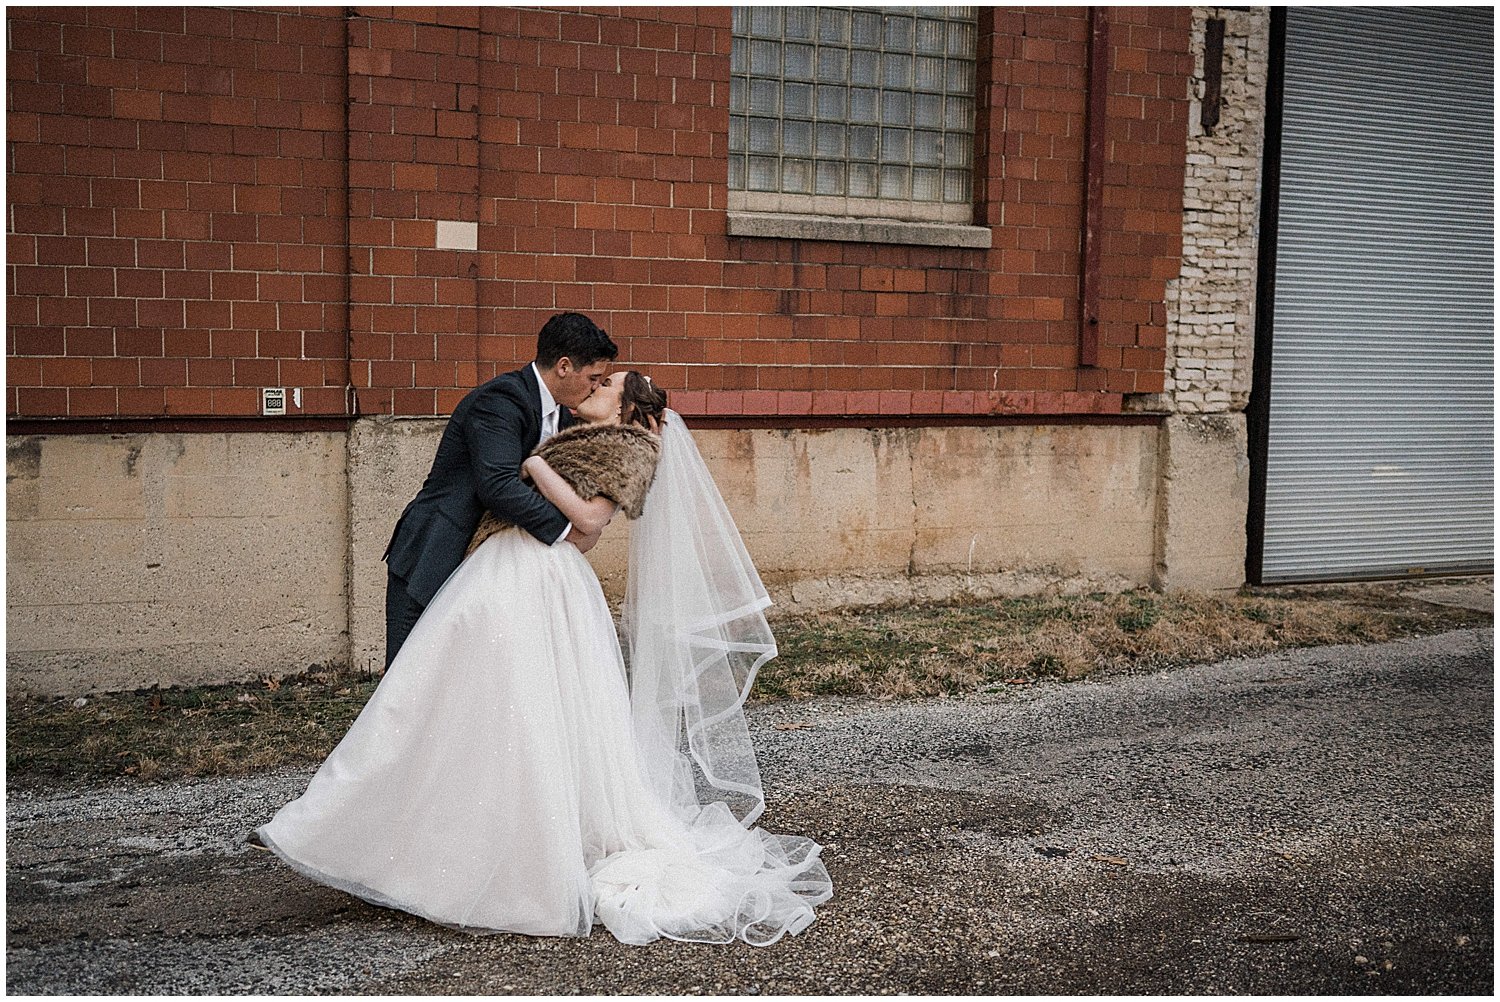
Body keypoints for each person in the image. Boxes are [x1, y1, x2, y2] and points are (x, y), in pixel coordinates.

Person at [258, 371, 832, 946]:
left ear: (627, 407)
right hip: (514, 570)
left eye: (609, 384)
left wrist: (531, 468)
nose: (596, 386)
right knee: (448, 697)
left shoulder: (631, 448)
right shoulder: (584, 436)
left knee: (505, 705)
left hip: (534, 578)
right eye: (597, 376)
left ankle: (500, 853)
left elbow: (588, 522)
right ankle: (385, 827)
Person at [381, 312, 617, 667]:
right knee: (408, 680)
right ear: (564, 366)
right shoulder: (501, 400)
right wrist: (567, 528)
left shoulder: (565, 418)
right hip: (436, 555)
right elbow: (498, 485)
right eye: (594, 378)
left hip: (487, 574)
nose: (596, 388)